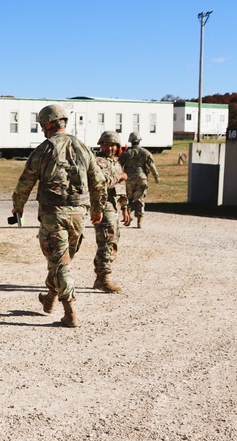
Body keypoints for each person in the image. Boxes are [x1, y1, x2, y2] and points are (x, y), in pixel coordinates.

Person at [11, 104, 105, 328]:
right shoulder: (83, 147)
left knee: (60, 264)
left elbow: (26, 180)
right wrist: (97, 207)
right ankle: (49, 299)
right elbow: (98, 180)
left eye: (43, 124)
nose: (42, 129)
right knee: (61, 259)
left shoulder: (43, 149)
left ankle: (70, 311)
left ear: (50, 123)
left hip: (53, 213)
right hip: (78, 215)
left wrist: (18, 205)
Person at [92, 131, 132, 293]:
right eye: (107, 144)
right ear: (101, 144)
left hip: (114, 206)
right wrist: (120, 176)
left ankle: (101, 276)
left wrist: (124, 208)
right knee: (107, 241)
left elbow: (120, 190)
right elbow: (102, 183)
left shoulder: (115, 162)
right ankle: (103, 278)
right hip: (103, 205)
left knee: (112, 240)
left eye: (113, 145)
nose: (110, 148)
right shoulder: (99, 162)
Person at [119, 132, 160, 228]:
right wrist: (156, 177)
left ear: (130, 141)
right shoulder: (145, 152)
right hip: (142, 178)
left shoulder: (126, 153)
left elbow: (118, 165)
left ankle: (127, 218)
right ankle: (139, 221)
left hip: (129, 178)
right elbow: (152, 166)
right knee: (139, 199)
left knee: (129, 198)